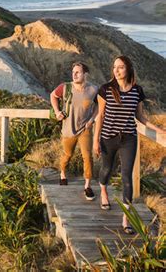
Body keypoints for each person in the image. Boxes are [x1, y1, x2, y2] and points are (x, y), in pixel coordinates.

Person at [93, 55, 166, 234]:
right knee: (106, 170)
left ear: (128, 69)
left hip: (129, 138)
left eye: (121, 67)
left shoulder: (137, 90)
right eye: (114, 67)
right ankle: (103, 191)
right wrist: (96, 140)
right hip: (108, 137)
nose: (116, 70)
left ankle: (126, 219)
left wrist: (159, 130)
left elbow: (140, 117)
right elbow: (100, 116)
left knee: (127, 177)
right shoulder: (106, 89)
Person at [50, 62, 98, 200]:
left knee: (87, 157)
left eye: (78, 72)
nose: (74, 74)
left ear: (85, 74)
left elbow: (99, 106)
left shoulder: (93, 89)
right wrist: (57, 111)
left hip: (85, 129)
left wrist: (92, 120)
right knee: (67, 155)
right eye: (73, 72)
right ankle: (63, 174)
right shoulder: (65, 87)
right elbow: (53, 95)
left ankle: (87, 186)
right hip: (68, 129)